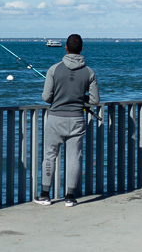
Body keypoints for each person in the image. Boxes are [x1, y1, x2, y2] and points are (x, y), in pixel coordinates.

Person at [34, 34, 99, 207]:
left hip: (55, 118)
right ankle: (70, 196)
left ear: (65, 48)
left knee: (49, 155)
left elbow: (46, 97)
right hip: (77, 118)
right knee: (74, 158)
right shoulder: (89, 72)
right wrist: (80, 98)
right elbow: (94, 100)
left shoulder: (54, 69)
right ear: (82, 49)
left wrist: (59, 96)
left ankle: (45, 195)